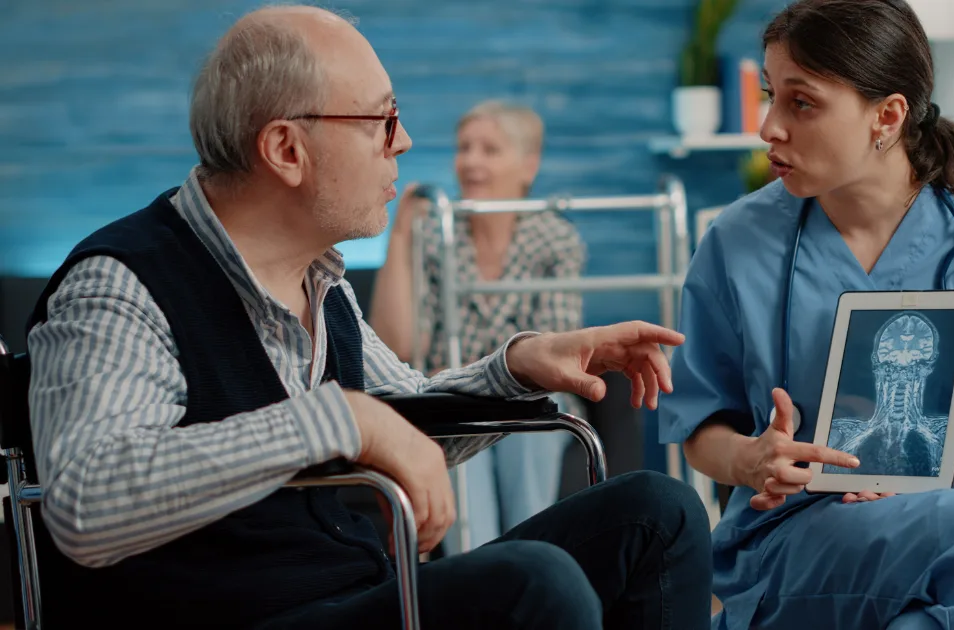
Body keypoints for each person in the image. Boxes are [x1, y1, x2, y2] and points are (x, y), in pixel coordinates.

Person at [23, 6, 712, 629]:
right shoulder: (119, 284)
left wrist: (515, 370)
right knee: (533, 582)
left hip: (357, 594)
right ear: (287, 149)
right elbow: (88, 502)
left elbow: (404, 428)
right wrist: (340, 417)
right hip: (232, 613)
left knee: (661, 511)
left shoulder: (321, 281)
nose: (404, 141)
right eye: (382, 119)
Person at [658, 1, 954, 629]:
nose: (769, 128)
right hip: (808, 526)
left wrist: (928, 462)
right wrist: (750, 461)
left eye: (800, 103)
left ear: (886, 116)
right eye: (771, 96)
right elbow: (700, 426)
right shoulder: (737, 242)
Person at [369, 100, 586, 554]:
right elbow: (399, 343)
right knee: (460, 449)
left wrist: (505, 378)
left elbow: (555, 353)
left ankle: (531, 574)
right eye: (464, 148)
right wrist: (403, 237)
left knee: (532, 429)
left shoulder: (557, 239)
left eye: (489, 149)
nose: (470, 161)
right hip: (455, 401)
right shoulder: (436, 234)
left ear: (528, 166)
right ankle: (483, 587)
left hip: (530, 400)